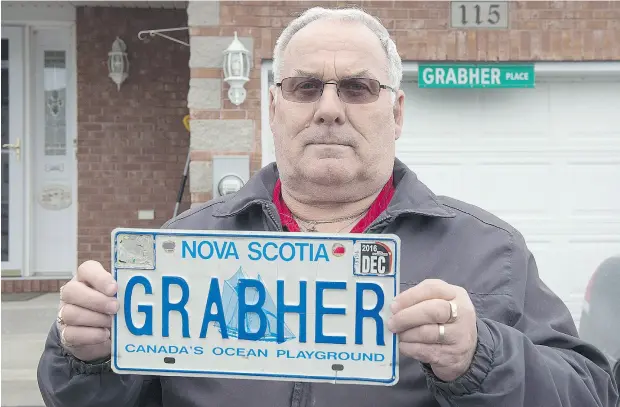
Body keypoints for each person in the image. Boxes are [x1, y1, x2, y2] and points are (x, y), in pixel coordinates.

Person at [37, 6, 619, 407]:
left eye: (358, 88)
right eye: (305, 87)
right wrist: (83, 356)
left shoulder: (491, 253)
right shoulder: (179, 250)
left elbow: (591, 391)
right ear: (274, 107)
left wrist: (482, 357)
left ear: (396, 114)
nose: (329, 109)